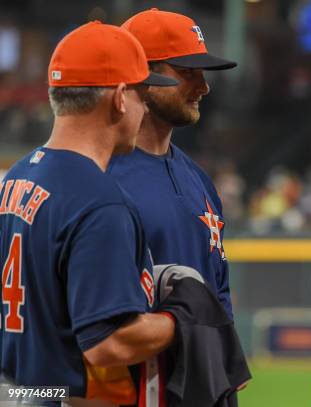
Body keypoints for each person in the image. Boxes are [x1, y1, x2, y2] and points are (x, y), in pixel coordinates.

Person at [0, 21, 181, 405]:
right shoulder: (98, 202)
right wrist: (182, 322)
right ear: (119, 97)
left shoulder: (16, 177)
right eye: (141, 94)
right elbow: (108, 343)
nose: (144, 106)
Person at [108, 8, 237, 318]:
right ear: (143, 75)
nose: (204, 87)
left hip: (199, 364)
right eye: (188, 72)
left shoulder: (199, 180)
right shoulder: (101, 178)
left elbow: (219, 299)